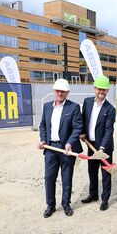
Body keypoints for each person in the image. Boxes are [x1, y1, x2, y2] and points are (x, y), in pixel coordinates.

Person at [38, 78, 83, 218]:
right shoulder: (46, 106)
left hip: (66, 150)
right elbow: (43, 126)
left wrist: (69, 143)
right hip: (51, 148)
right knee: (49, 178)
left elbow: (77, 128)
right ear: (54, 91)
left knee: (66, 178)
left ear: (67, 92)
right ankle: (50, 205)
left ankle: (66, 204)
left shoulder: (74, 107)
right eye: (58, 90)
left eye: (63, 91)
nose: (60, 93)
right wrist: (43, 140)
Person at [79, 75, 116, 211]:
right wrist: (82, 132)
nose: (101, 92)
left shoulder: (110, 109)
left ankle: (105, 199)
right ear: (94, 88)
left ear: (107, 91)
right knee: (92, 171)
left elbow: (109, 130)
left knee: (106, 173)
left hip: (104, 148)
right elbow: (84, 120)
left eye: (104, 90)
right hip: (91, 144)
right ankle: (93, 194)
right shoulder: (87, 102)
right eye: (99, 89)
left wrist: (102, 148)